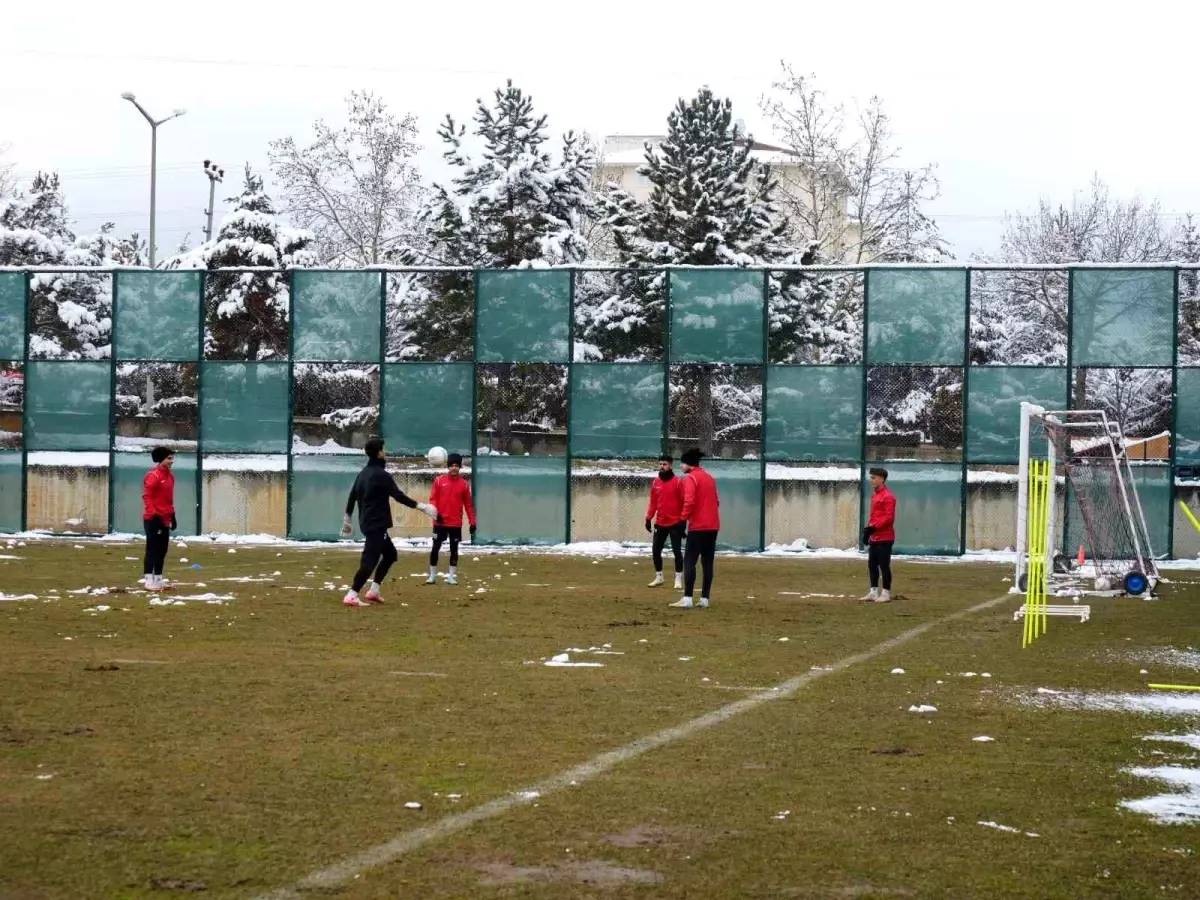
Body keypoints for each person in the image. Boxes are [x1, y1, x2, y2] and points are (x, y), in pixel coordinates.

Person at [341, 438, 438, 608]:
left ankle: (374, 591)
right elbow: (398, 495)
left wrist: (347, 518)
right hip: (375, 525)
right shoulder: (381, 475)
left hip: (369, 523)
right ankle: (352, 595)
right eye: (383, 449)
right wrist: (422, 507)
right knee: (369, 561)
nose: (385, 452)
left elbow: (352, 496)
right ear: (379, 453)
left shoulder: (363, 473)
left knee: (390, 555)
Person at [671, 448, 720, 609]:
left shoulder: (691, 479)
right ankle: (705, 599)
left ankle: (687, 598)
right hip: (713, 526)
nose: (680, 466)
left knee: (689, 561)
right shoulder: (709, 478)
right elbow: (716, 502)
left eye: (682, 463)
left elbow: (689, 501)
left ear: (688, 464)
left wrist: (682, 521)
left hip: (698, 526)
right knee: (707, 562)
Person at [426, 452, 476, 586]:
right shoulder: (439, 481)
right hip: (439, 522)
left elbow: (469, 505)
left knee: (454, 549)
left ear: (460, 467)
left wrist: (473, 522)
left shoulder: (464, 485)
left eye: (456, 466)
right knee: (435, 547)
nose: (454, 468)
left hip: (455, 524)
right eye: (452, 465)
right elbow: (433, 500)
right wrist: (437, 514)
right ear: (448, 466)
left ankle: (451, 577)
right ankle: (432, 575)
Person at [645, 453, 685, 589]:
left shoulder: (678, 482)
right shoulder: (656, 482)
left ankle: (678, 578)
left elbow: (685, 502)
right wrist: (648, 518)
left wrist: (683, 521)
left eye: (665, 464)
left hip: (675, 523)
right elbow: (653, 503)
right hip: (660, 522)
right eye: (660, 464)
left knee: (676, 551)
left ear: (671, 465)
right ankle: (659, 577)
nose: (662, 466)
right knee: (656, 550)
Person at [142, 446, 177, 592]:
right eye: (169, 458)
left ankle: (158, 579)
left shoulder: (170, 476)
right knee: (152, 549)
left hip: (165, 518)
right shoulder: (153, 476)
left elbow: (168, 500)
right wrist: (153, 514)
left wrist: (172, 515)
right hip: (153, 519)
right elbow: (147, 496)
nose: (171, 461)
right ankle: (148, 580)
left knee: (163, 550)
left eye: (172, 458)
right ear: (161, 459)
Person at [861, 467, 897, 603]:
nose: (872, 480)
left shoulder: (888, 497)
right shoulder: (875, 495)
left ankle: (886, 593)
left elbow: (889, 518)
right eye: (871, 477)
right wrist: (868, 531)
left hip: (886, 537)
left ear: (882, 479)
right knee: (872, 564)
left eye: (874, 477)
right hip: (875, 536)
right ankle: (873, 591)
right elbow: (874, 515)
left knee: (884, 565)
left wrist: (874, 528)